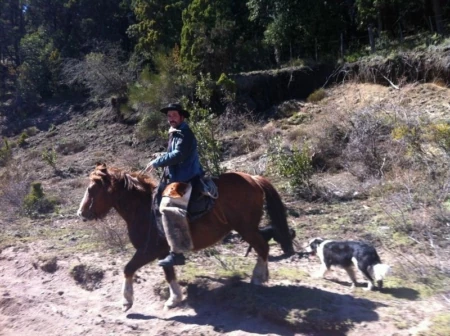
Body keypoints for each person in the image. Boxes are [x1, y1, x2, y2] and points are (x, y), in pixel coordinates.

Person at [143, 103, 204, 267]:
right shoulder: (176, 133)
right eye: (169, 116)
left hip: (185, 179)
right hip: (176, 176)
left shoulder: (185, 133)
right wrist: (160, 156)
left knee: (167, 207)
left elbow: (178, 155)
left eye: (174, 116)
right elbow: (172, 153)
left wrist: (157, 162)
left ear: (181, 117)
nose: (171, 119)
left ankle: (177, 253)